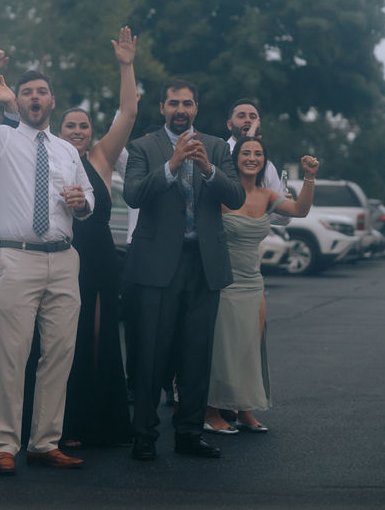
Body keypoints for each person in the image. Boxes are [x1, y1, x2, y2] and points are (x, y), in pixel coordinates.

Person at [0, 49, 95, 476]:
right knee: (13, 355)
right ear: (19, 100)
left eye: (43, 91)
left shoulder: (67, 151)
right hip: (17, 258)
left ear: (52, 101)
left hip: (64, 260)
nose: (36, 96)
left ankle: (44, 443)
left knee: (59, 354)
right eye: (28, 91)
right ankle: (4, 446)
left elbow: (88, 201)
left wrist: (81, 204)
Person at [123, 79, 243, 462]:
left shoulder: (217, 147)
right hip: (158, 267)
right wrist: (172, 165)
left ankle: (189, 433)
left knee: (196, 356)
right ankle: (144, 436)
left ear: (196, 108)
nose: (180, 109)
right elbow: (133, 194)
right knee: (150, 355)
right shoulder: (143, 147)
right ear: (161, 107)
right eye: (173, 103)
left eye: (187, 103)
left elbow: (236, 196)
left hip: (203, 263)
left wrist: (208, 169)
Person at [56, 27, 138, 447]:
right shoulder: (48, 155)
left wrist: (126, 66)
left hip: (101, 255)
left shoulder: (102, 156)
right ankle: (68, 424)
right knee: (67, 337)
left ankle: (105, 424)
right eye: (70, 124)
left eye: (83, 125)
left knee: (100, 333)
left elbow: (128, 113)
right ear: (60, 128)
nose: (77, 130)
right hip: (63, 256)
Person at [204, 139, 319, 434]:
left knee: (250, 347)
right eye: (246, 153)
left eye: (258, 154)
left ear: (264, 161)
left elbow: (300, 210)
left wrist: (309, 177)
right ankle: (210, 411)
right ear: (235, 158)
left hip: (253, 281)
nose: (252, 158)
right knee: (222, 348)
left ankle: (245, 409)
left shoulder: (268, 195)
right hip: (224, 282)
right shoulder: (221, 192)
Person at [226, 98, 290, 226]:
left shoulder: (267, 166)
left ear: (259, 124)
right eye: (241, 116)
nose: (248, 120)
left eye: (253, 117)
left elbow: (283, 218)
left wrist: (262, 208)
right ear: (229, 125)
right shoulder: (218, 152)